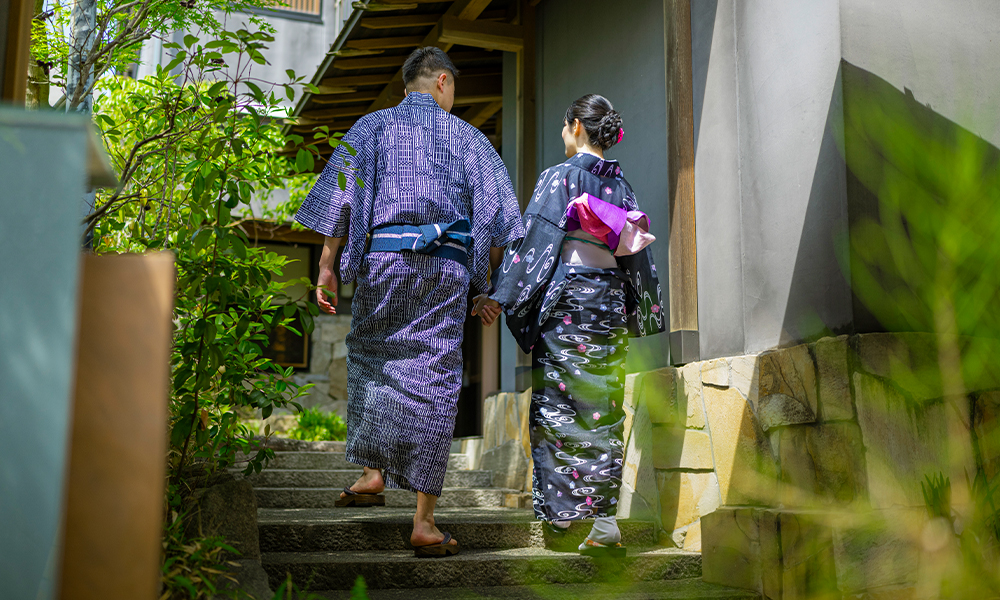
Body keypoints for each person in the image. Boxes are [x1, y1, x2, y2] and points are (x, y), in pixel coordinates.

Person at [294, 47, 524, 558]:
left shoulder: (371, 127)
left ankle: (373, 473)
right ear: (442, 82)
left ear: (406, 87)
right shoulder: (470, 139)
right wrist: (485, 288)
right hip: (443, 268)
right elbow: (503, 221)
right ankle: (423, 521)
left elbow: (339, 197)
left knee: (373, 359)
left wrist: (326, 266)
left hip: (383, 263)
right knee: (433, 375)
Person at [483, 94, 665, 557]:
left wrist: (502, 294)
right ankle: (604, 525)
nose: (563, 133)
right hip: (607, 307)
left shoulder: (559, 177)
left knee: (558, 407)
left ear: (576, 127)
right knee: (603, 408)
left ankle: (564, 516)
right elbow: (639, 257)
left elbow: (536, 240)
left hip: (569, 306)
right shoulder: (622, 186)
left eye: (565, 126)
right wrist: (648, 311)